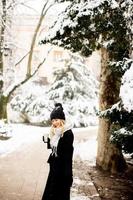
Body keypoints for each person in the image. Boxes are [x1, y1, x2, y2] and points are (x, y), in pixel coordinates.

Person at [41, 103, 74, 200]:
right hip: (54, 165)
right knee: (52, 190)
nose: (54, 123)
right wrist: (48, 140)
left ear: (62, 120)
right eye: (53, 121)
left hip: (62, 168)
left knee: (59, 193)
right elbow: (54, 148)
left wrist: (68, 173)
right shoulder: (55, 132)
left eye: (56, 120)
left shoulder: (67, 133)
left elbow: (68, 154)